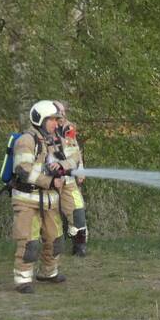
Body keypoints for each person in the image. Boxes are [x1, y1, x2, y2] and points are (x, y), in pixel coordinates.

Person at [10, 100, 72, 293]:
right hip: (27, 200)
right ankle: (22, 280)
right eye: (52, 120)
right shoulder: (26, 141)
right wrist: (50, 181)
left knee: (55, 240)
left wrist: (62, 167)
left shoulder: (54, 140)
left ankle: (48, 272)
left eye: (56, 119)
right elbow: (23, 170)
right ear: (40, 120)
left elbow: (72, 157)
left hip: (49, 201)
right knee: (29, 242)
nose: (56, 123)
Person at [52, 100, 88, 256]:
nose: (63, 115)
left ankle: (79, 246)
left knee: (78, 209)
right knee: (50, 214)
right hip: (51, 180)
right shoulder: (44, 130)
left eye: (64, 111)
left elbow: (75, 149)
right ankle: (52, 248)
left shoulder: (69, 128)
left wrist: (80, 168)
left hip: (69, 178)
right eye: (59, 112)